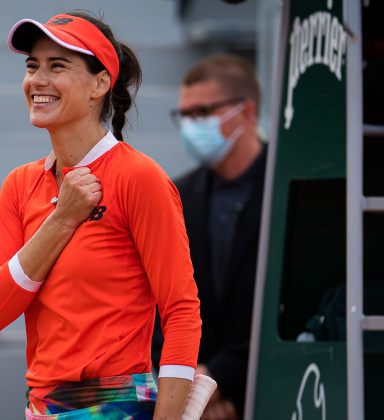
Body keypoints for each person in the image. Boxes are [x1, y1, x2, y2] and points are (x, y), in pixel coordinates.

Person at [0, 11, 202, 420]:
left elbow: (181, 312)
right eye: (32, 66)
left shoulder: (140, 177)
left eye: (57, 66)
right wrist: (62, 220)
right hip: (40, 408)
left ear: (101, 84)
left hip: (119, 406)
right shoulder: (19, 184)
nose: (38, 80)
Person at [151, 53, 267, 420]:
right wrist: (188, 382)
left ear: (246, 113)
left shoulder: (289, 191)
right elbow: (156, 303)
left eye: (201, 112)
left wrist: (220, 379)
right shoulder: (177, 194)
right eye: (184, 115)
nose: (190, 124)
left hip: (269, 393)